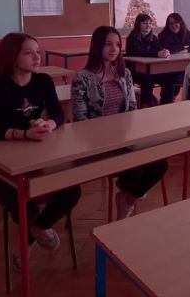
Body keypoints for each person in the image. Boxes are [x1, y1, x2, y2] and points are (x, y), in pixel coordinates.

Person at [0, 33, 81, 271]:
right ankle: (30, 235)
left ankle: (33, 231)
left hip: (37, 160)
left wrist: (48, 124)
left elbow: (58, 113)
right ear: (12, 56)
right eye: (28, 52)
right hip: (1, 167)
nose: (36, 57)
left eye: (38, 51)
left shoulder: (43, 81)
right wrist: (22, 134)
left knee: (72, 191)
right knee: (27, 203)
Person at [72, 26, 168, 220]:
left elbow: (132, 109)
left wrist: (131, 136)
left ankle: (128, 198)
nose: (114, 49)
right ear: (97, 46)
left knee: (161, 163)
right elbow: (80, 120)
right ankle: (129, 193)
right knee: (136, 170)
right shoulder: (82, 78)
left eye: (117, 44)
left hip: (125, 139)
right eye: (108, 44)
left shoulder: (124, 74)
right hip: (98, 142)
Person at [125, 13, 180, 105]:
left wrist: (164, 51)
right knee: (147, 79)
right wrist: (157, 54)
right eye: (145, 23)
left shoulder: (153, 37)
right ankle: (145, 104)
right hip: (136, 70)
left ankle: (166, 103)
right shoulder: (132, 38)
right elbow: (138, 52)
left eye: (150, 23)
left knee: (169, 77)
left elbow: (159, 49)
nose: (148, 25)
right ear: (138, 24)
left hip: (152, 70)